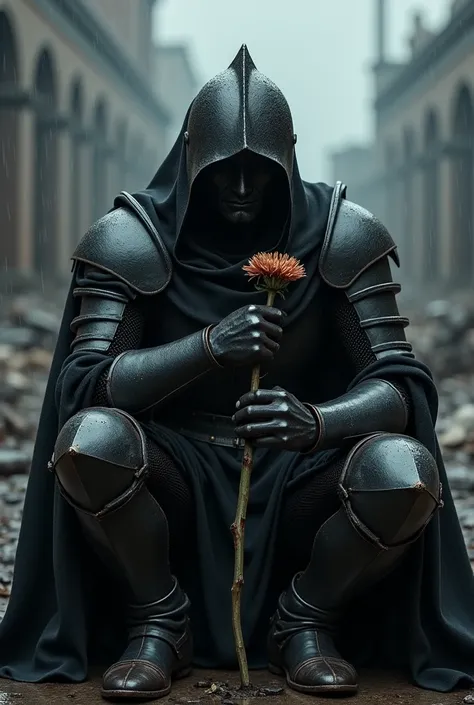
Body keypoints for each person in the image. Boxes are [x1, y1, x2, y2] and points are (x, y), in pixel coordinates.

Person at [0, 44, 474, 702]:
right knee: (92, 441)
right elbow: (84, 386)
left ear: (289, 162)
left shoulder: (341, 233)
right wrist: (205, 348)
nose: (243, 189)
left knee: (402, 472)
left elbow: (399, 388)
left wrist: (318, 421)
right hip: (170, 467)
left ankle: (306, 619)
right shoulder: (133, 238)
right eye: (227, 171)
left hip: (298, 469)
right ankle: (159, 619)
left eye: (261, 172)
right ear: (193, 158)